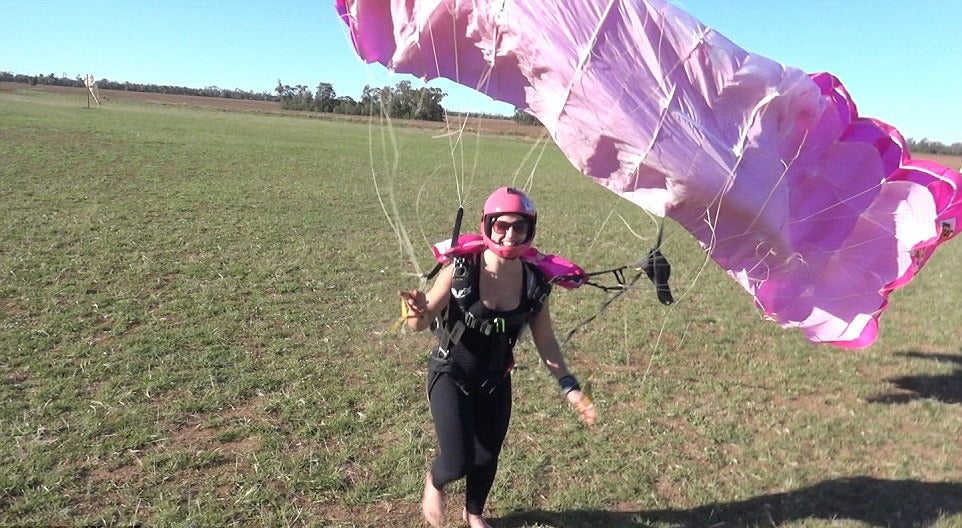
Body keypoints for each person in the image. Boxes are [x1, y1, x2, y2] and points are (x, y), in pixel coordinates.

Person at [399, 186, 596, 528]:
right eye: (501, 226)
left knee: (488, 455)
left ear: (530, 230)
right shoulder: (461, 269)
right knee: (458, 460)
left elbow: (546, 342)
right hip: (451, 372)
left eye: (519, 227)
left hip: (496, 379)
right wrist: (412, 309)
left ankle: (474, 513)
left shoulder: (535, 284)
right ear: (487, 226)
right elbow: (420, 322)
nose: (509, 235)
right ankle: (435, 481)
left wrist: (570, 387)